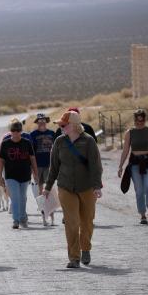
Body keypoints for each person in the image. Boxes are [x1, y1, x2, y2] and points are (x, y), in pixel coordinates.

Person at [44, 111, 103, 268]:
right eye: (61, 125)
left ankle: (86, 248)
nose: (61, 127)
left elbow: (96, 166)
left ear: (75, 125)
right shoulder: (59, 142)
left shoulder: (89, 141)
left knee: (87, 222)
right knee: (72, 222)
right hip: (65, 187)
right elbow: (54, 167)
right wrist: (48, 187)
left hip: (87, 187)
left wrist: (97, 186)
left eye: (64, 125)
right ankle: (74, 257)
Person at [117, 109, 148, 224]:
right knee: (139, 190)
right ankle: (142, 214)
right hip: (135, 163)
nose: (140, 123)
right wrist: (120, 166)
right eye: (137, 121)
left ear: (145, 120)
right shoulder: (129, 132)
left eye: (142, 121)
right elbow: (125, 150)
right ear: (134, 120)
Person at [0, 119, 38, 229]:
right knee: (15, 197)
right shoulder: (5, 144)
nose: (15, 132)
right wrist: (0, 176)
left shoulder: (27, 143)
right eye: (13, 130)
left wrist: (35, 173)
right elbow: (1, 160)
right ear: (10, 131)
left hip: (25, 175)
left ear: (21, 131)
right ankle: (16, 220)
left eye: (18, 130)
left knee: (23, 197)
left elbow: (32, 159)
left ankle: (23, 217)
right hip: (11, 176)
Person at [30, 113, 56, 194]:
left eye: (43, 120)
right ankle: (42, 205)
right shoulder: (32, 134)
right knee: (39, 185)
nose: (42, 122)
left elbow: (56, 149)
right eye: (40, 120)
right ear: (37, 122)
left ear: (46, 121)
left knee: (49, 186)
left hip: (49, 164)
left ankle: (50, 205)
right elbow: (30, 152)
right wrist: (32, 168)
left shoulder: (52, 133)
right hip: (37, 165)